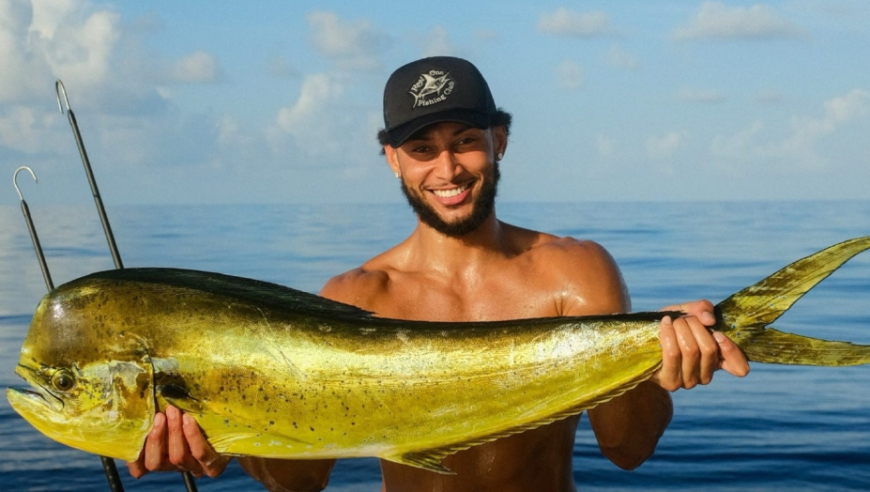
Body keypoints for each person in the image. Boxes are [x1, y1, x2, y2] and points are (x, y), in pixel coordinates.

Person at [127, 56, 750, 491]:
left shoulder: (575, 272)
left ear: (499, 140)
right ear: (393, 160)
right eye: (422, 148)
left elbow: (629, 450)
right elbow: (302, 480)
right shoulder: (353, 297)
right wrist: (224, 446)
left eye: (465, 140)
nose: (447, 168)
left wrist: (660, 366)